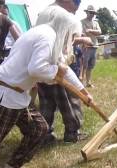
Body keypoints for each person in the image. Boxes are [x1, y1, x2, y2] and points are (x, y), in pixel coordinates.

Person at [0, 6, 93, 168]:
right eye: (71, 35)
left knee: (38, 129)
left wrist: (83, 92)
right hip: (4, 95)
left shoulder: (47, 35)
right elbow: (37, 69)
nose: (71, 40)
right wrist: (57, 71)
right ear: (64, 27)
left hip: (18, 95)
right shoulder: (46, 36)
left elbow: (63, 68)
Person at [37, 0, 90, 144]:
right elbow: (65, 45)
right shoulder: (63, 16)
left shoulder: (46, 11)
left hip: (42, 68)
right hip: (58, 67)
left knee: (46, 104)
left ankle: (45, 135)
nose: (76, 7)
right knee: (69, 102)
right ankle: (73, 133)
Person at [81, 5, 102, 87]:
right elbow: (82, 33)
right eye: (91, 12)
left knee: (91, 66)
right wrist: (93, 32)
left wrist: (90, 30)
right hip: (86, 47)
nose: (92, 14)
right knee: (83, 66)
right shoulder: (82, 22)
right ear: (87, 12)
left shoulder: (96, 23)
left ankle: (88, 82)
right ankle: (81, 83)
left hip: (94, 46)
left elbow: (99, 32)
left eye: (93, 13)